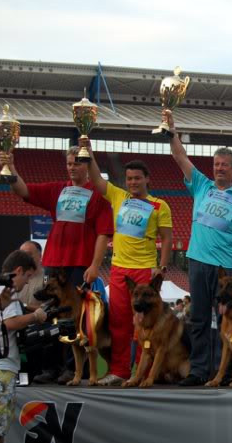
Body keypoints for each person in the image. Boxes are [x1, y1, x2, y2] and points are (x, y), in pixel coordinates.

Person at [0, 147, 113, 384]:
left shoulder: (99, 195)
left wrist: (95, 265)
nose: (72, 167)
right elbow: (23, 190)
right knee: (50, 316)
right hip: (54, 262)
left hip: (80, 263)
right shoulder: (57, 190)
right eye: (69, 163)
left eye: (77, 163)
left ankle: (72, 368)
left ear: (87, 166)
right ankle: (50, 367)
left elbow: (103, 234)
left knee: (76, 319)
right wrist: (11, 167)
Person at [166, 113, 232, 386]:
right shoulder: (202, 185)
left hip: (226, 268)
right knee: (199, 319)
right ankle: (198, 371)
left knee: (227, 321)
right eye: (216, 164)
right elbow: (180, 157)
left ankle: (224, 372)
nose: (219, 169)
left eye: (225, 165)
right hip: (197, 261)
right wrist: (172, 131)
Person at [85, 139, 173, 386]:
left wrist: (162, 267)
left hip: (145, 271)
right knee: (119, 323)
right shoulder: (118, 196)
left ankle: (144, 373)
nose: (133, 182)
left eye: (137, 178)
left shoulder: (159, 206)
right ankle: (120, 371)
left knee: (144, 325)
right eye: (129, 178)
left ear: (147, 179)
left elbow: (167, 239)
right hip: (119, 270)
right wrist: (88, 153)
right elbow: (97, 179)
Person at [0, 250, 48, 442]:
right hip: (1, 370)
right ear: (18, 271)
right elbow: (9, 322)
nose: (27, 282)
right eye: (27, 276)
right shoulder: (7, 291)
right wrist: (35, 316)